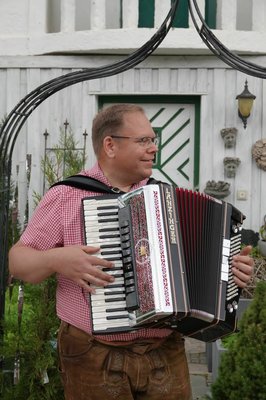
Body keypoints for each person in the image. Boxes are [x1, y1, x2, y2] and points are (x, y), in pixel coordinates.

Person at [9, 104, 254, 400]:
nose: (153, 149)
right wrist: (57, 259)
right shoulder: (66, 196)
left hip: (165, 352)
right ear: (110, 145)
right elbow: (18, 261)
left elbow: (198, 269)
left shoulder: (165, 197)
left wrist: (230, 271)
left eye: (154, 140)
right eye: (143, 141)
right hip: (93, 354)